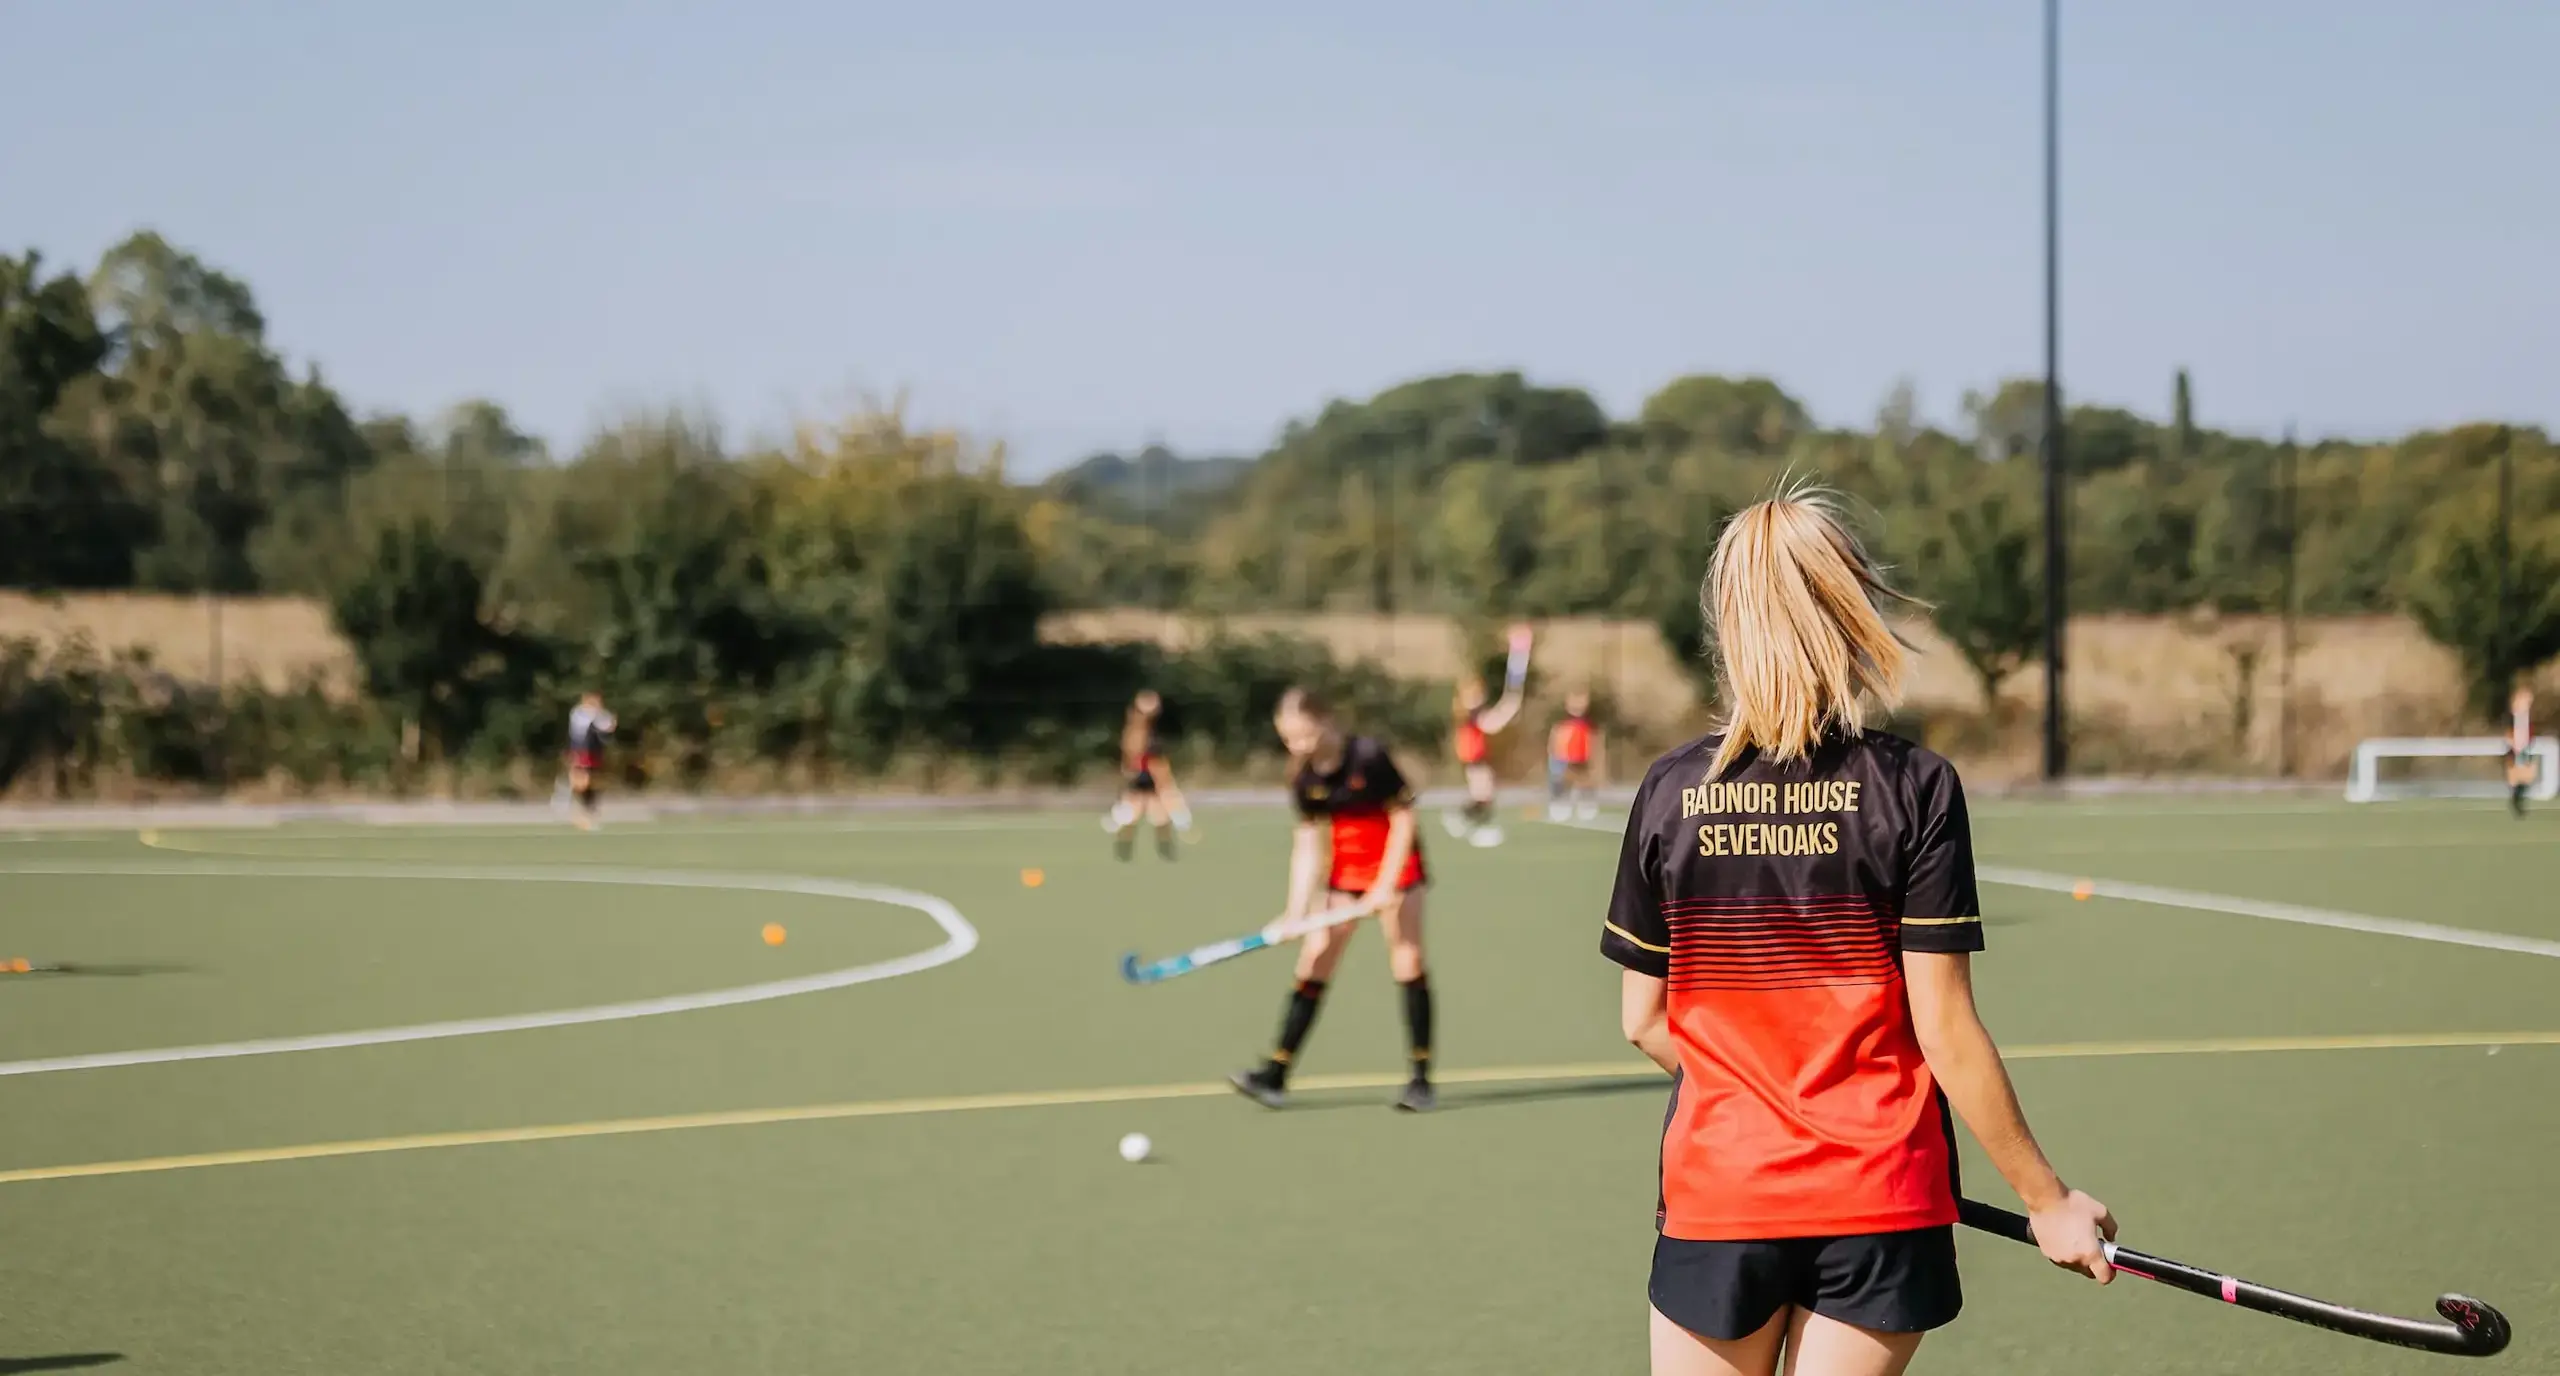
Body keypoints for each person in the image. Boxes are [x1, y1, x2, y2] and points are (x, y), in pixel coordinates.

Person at [1602, 491, 2115, 1376]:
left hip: (1721, 1194)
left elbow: (1645, 1020)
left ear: (1727, 620)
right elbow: (1944, 1030)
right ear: (1854, 609)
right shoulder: (1915, 787)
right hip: (1878, 1197)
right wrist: (2046, 1198)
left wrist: (1759, 1099)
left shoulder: (1669, 790)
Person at [1230, 687, 1437, 1113]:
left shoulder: (1368, 757)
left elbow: (1403, 818)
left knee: (1407, 960)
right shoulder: (1303, 776)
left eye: (1305, 735)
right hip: (1346, 874)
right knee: (1315, 958)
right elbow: (1307, 844)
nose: (1299, 746)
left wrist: (1385, 885)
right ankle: (1276, 1074)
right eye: (1289, 739)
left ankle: (1420, 1081)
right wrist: (1295, 911)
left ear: (1326, 720)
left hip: (1398, 868)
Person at [1445, 642, 1529, 847]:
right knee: (1483, 795)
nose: (1480, 696)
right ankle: (1462, 821)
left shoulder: (1470, 712)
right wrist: (1508, 707)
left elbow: (1492, 721)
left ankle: (1468, 824)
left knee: (1485, 795)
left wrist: (1508, 707)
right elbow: (1492, 724)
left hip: (1475, 757)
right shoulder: (1469, 713)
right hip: (1474, 758)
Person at [1106, 689, 1193, 859]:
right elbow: (1131, 753)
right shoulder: (1135, 729)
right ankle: (1124, 851)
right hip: (1140, 775)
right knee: (1132, 817)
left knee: (1160, 817)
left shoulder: (1150, 731)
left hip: (1151, 774)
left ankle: (1165, 850)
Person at [1546, 688, 1606, 822]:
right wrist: (1555, 757)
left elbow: (1595, 742)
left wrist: (1595, 759)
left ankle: (1586, 804)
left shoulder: (1589, 725)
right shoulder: (1562, 724)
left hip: (1583, 757)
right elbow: (1555, 741)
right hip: (1566, 757)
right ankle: (1561, 805)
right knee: (1564, 781)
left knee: (1584, 780)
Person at [564, 692, 616, 831]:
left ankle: (588, 812)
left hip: (594, 751)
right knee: (582, 781)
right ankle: (578, 809)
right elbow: (597, 724)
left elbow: (609, 726)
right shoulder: (579, 713)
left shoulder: (598, 714)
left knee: (592, 782)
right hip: (581, 750)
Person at [2507, 681, 2535, 819]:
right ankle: (2516, 802)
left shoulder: (2525, 716)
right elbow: (2511, 733)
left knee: (2527, 776)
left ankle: (2517, 800)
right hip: (2519, 747)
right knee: (2522, 775)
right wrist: (2514, 744)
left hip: (2524, 746)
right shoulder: (2516, 716)